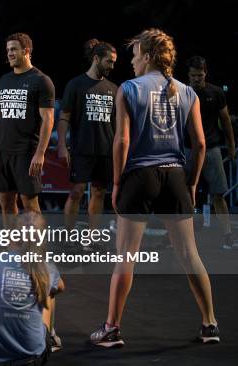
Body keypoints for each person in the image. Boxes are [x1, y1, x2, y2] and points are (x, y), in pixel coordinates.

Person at [90, 29, 220, 347]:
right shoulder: (187, 91)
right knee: (190, 255)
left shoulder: (129, 89)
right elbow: (200, 144)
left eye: (135, 56)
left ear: (147, 56)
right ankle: (210, 324)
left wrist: (118, 183)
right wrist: (190, 183)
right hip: (175, 175)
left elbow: (121, 141)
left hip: (140, 175)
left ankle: (111, 329)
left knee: (126, 257)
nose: (132, 62)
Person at [0, 213, 64, 365]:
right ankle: (51, 336)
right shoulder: (47, 267)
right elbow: (60, 287)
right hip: (32, 359)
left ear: (10, 236)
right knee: (48, 289)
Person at [0, 33, 55, 227]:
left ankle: (38, 254)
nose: (10, 53)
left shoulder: (41, 80)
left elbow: (48, 119)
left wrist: (40, 153)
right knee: (6, 202)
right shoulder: (4, 80)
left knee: (30, 205)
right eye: (8, 50)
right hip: (3, 152)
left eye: (14, 49)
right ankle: (14, 249)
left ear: (26, 51)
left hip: (26, 153)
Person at [57, 39, 117, 240]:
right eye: (109, 61)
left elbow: (116, 124)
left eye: (114, 62)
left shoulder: (114, 89)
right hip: (81, 149)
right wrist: (62, 146)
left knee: (99, 193)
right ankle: (68, 237)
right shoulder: (75, 84)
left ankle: (93, 237)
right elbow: (64, 116)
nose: (112, 66)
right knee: (76, 192)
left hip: (105, 150)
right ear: (96, 58)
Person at [185, 56, 236, 249]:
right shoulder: (182, 92)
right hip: (187, 149)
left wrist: (231, 146)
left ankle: (227, 235)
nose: (196, 79)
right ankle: (181, 237)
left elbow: (225, 121)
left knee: (218, 194)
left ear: (205, 73)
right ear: (188, 75)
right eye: (193, 75)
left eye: (200, 75)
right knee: (184, 194)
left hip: (211, 149)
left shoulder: (215, 93)